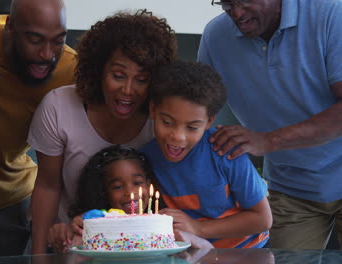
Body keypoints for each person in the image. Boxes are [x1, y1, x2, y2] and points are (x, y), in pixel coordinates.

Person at [28, 9, 178, 254]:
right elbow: (47, 186)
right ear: (98, 70)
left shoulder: (161, 120)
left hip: (140, 248)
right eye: (118, 75)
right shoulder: (58, 107)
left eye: (141, 79)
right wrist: (39, 256)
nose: (128, 90)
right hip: (71, 245)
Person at [198, 0, 342, 249]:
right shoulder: (215, 36)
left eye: (245, 1)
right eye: (226, 3)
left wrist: (267, 141)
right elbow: (193, 110)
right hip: (291, 188)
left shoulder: (332, 13)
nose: (236, 13)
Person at [0, 0, 77, 257]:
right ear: (10, 27)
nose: (47, 54)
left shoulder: (72, 69)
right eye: (35, 40)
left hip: (16, 198)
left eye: (58, 40)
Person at [141, 60, 272, 248]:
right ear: (153, 110)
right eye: (167, 122)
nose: (177, 137)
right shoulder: (145, 159)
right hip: (192, 254)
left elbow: (262, 219)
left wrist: (198, 228)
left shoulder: (225, 150)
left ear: (209, 121)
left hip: (247, 251)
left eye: (192, 127)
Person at [48, 145, 213, 253]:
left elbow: (207, 251)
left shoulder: (164, 224)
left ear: (149, 185)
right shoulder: (95, 225)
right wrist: (64, 237)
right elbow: (71, 250)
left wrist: (188, 238)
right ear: (104, 192)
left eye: (138, 183)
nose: (130, 193)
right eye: (118, 187)